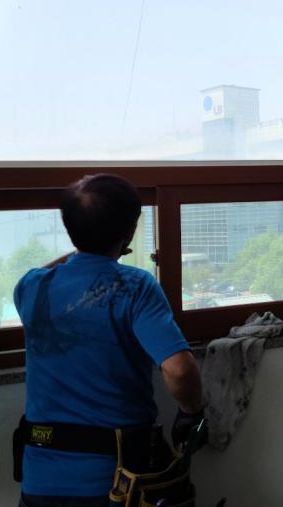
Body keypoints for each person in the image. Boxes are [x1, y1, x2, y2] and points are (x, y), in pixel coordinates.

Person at [14, 174, 203, 507]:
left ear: (69, 227)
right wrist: (192, 411)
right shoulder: (136, 286)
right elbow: (179, 370)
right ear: (130, 230)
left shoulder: (31, 286)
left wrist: (85, 247)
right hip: (116, 484)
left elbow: (52, 271)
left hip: (40, 481)